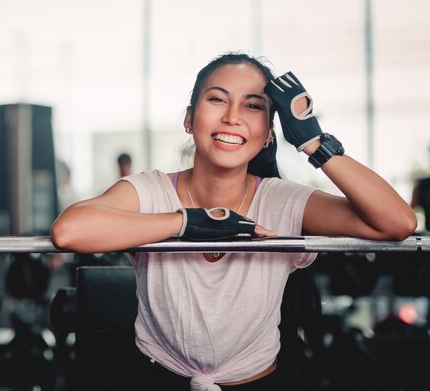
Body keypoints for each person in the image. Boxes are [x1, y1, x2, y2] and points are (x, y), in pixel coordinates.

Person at [50, 52, 416, 391]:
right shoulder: (152, 190)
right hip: (155, 378)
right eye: (217, 99)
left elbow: (398, 222)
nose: (232, 116)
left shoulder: (281, 200)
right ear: (189, 118)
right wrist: (185, 223)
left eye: (253, 105)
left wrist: (313, 143)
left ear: (269, 133)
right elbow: (69, 230)